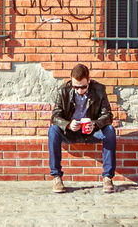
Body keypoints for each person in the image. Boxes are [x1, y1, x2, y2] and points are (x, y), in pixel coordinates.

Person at [48, 63, 117, 193]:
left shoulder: (99, 90)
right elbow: (55, 116)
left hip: (92, 132)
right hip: (71, 132)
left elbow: (108, 115)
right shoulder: (63, 91)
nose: (79, 90)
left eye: (83, 87)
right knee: (53, 130)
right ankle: (57, 177)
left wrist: (95, 124)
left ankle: (108, 177)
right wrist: (68, 124)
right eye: (76, 87)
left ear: (89, 81)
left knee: (110, 131)